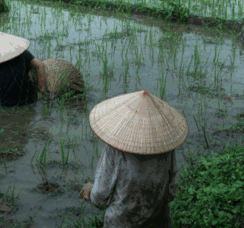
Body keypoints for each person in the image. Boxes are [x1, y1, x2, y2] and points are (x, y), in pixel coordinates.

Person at [79, 90, 188, 228]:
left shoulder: (114, 150)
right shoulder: (165, 149)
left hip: (120, 223)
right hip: (158, 221)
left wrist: (90, 192)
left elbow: (101, 195)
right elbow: (172, 190)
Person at [0, 31, 47, 107]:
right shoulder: (23, 54)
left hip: (3, 106)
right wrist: (42, 90)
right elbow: (40, 65)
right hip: (28, 101)